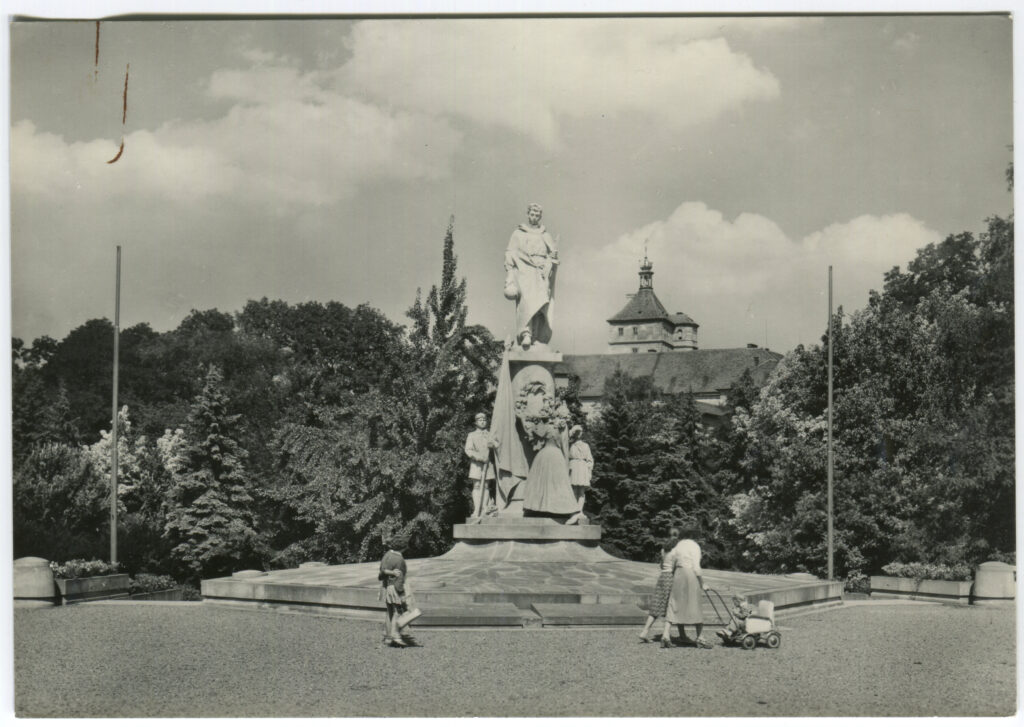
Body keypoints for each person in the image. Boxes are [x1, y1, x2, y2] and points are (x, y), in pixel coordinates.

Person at [504, 203, 558, 348]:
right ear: (528, 215)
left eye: (537, 215)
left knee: (541, 303)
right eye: (532, 214)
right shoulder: (518, 233)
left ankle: (537, 335)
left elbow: (552, 254)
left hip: (541, 271)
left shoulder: (545, 234)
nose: (534, 217)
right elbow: (510, 252)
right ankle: (526, 333)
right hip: (524, 269)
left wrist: (552, 257)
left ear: (540, 217)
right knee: (527, 301)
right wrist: (509, 277)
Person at [661, 526, 712, 649]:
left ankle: (665, 635)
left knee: (674, 604)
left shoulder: (678, 545)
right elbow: (696, 567)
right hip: (690, 575)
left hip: (678, 574)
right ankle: (700, 637)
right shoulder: (694, 546)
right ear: (694, 535)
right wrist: (702, 583)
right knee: (695, 605)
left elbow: (671, 562)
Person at [378, 533, 421, 648]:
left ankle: (387, 638)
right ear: (404, 547)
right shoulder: (400, 560)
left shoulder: (387, 555)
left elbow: (382, 570)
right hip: (395, 589)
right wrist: (401, 593)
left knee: (389, 612)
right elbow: (400, 579)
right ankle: (395, 635)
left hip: (386, 587)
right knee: (398, 613)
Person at [639, 527, 680, 643]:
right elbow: (677, 566)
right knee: (670, 606)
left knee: (656, 605)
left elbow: (661, 566)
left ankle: (645, 631)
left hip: (662, 577)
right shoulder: (676, 550)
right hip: (671, 578)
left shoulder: (664, 549)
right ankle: (666, 634)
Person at [464, 412, 498, 516]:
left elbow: (497, 446)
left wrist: (493, 445)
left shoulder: (490, 434)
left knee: (486, 486)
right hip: (476, 464)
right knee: (477, 485)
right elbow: (468, 450)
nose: (483, 422)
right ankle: (476, 509)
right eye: (480, 420)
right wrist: (479, 457)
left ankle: (484, 508)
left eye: (484, 420)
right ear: (476, 422)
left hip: (488, 464)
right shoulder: (472, 435)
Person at [565, 424, 593, 525]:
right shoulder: (570, 445)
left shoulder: (586, 446)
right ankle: (573, 511)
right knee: (573, 490)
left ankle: (580, 511)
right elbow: (567, 458)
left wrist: (589, 472)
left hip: (582, 468)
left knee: (581, 491)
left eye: (579, 432)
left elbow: (590, 460)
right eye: (576, 432)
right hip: (573, 467)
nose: (578, 434)